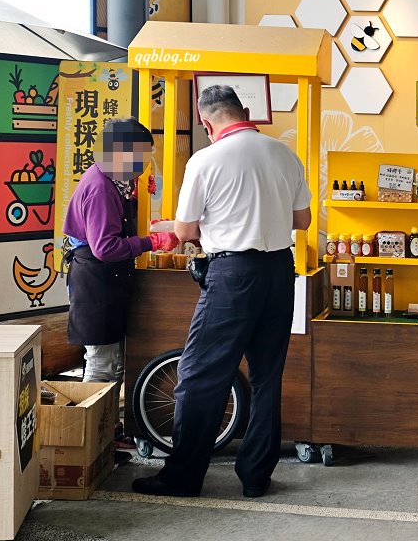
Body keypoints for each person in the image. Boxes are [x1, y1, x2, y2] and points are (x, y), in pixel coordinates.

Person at [133, 85, 311, 499]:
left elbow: (184, 231)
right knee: (267, 377)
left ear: (206, 122)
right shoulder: (284, 153)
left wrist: (207, 225)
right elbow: (301, 221)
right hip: (279, 271)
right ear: (244, 111)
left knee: (200, 374)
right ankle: (256, 477)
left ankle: (182, 477)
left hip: (233, 274)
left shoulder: (205, 160)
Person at [62, 118, 179, 384]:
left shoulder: (110, 179)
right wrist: (153, 242)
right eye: (141, 156)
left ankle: (110, 412)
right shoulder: (100, 189)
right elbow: (105, 247)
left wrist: (135, 199)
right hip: (95, 283)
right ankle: (94, 413)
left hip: (107, 281)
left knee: (114, 366)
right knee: (101, 367)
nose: (144, 164)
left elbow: (114, 224)